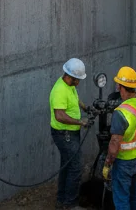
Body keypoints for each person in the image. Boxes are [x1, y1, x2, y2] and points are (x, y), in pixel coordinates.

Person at [101, 66, 136, 210]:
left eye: (119, 86)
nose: (118, 89)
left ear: (122, 88)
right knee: (135, 195)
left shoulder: (120, 112)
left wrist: (108, 163)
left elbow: (115, 142)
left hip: (124, 162)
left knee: (122, 199)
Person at [50, 58, 89, 210]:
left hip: (70, 133)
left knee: (66, 166)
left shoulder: (69, 86)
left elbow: (75, 99)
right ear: (70, 77)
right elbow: (59, 115)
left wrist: (86, 108)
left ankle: (61, 200)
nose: (79, 83)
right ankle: (70, 204)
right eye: (77, 80)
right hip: (64, 134)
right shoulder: (59, 90)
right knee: (76, 166)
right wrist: (81, 122)